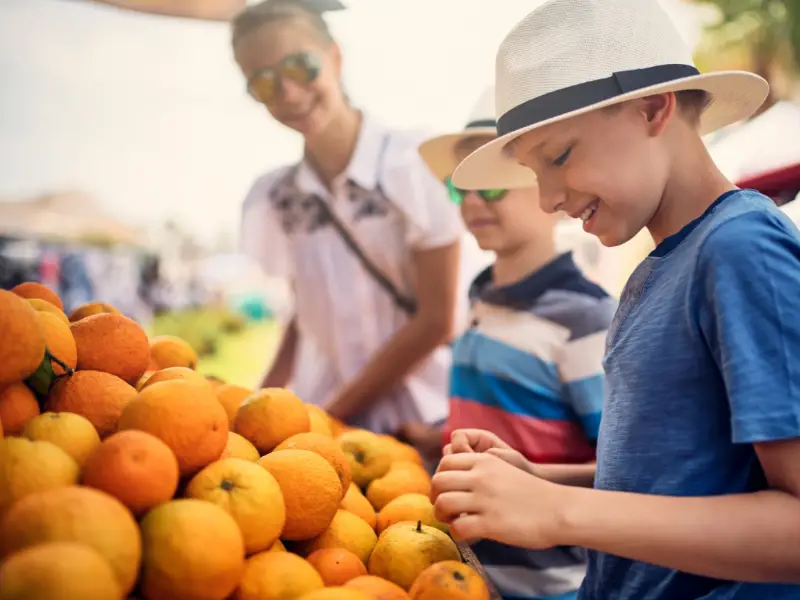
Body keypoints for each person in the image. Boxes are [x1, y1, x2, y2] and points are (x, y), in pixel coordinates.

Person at [431, 0, 800, 598]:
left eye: (557, 156)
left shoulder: (739, 248)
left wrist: (556, 512)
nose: (549, 197)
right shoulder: (661, 263)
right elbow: (678, 478)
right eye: (533, 173)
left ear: (654, 108)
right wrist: (544, 480)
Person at [414, 87, 616, 600]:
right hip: (466, 571)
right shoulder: (482, 298)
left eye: (494, 185)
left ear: (550, 185)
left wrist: (536, 482)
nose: (475, 201)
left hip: (555, 587)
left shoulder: (584, 318)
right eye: (462, 187)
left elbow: (626, 469)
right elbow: (504, 410)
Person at [232, 0, 470, 435]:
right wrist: (253, 407)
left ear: (335, 57)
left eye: (300, 66)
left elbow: (438, 318)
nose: (288, 92)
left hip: (418, 422)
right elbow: (303, 315)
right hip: (322, 420)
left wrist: (334, 414)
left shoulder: (413, 163)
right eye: (263, 84)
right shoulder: (276, 197)